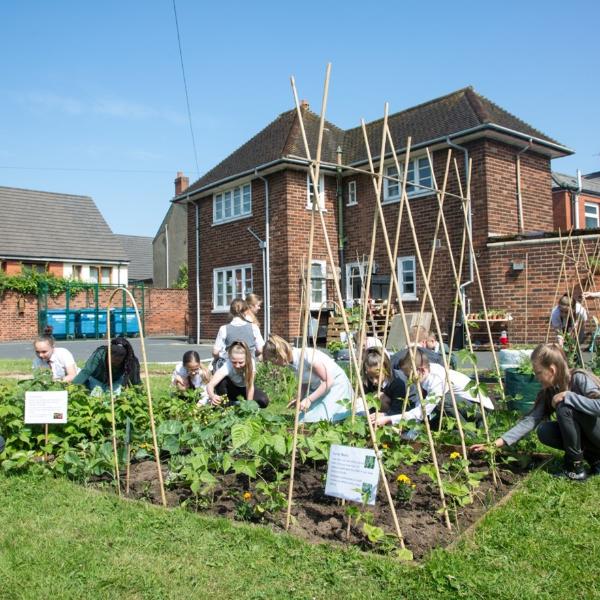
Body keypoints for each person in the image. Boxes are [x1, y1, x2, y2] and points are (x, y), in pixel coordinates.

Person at [472, 343, 600, 480]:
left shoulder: (579, 378)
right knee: (544, 431)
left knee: (564, 407)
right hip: (592, 437)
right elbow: (530, 421)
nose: (537, 378)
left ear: (552, 370)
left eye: (538, 372)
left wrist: (569, 396)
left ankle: (575, 469)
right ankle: (595, 459)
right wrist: (493, 445)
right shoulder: (550, 391)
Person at [378, 347, 494, 426]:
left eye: (409, 375)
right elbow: (420, 406)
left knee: (441, 402)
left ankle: (467, 435)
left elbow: (422, 412)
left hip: (480, 410)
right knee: (434, 414)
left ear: (421, 370)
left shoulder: (436, 379)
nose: (408, 380)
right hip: (463, 406)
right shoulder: (425, 376)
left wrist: (389, 419)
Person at [263, 334, 356, 423]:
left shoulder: (307, 356)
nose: (273, 364)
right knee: (302, 420)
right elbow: (305, 382)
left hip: (336, 386)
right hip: (321, 389)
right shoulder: (291, 363)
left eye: (272, 360)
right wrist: (300, 398)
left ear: (280, 355)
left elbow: (328, 381)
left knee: (319, 420)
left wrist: (309, 399)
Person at [207, 341, 269, 408]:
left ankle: (237, 404)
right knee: (221, 381)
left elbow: (250, 387)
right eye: (234, 362)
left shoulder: (251, 363)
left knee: (263, 401)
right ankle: (226, 404)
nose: (237, 365)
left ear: (247, 359)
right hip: (232, 390)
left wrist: (248, 406)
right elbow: (210, 385)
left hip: (245, 389)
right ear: (230, 358)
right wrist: (212, 396)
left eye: (241, 362)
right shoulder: (227, 365)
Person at [72, 337, 141, 395]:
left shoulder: (130, 360)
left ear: (123, 358)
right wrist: (72, 388)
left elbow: (135, 381)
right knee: (96, 398)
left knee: (115, 399)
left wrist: (140, 395)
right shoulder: (99, 354)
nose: (114, 362)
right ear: (108, 353)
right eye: (111, 358)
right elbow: (86, 372)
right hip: (97, 379)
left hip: (115, 381)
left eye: (118, 361)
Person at [213, 298, 264, 370]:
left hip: (231, 367)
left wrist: (223, 356)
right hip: (249, 367)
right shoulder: (254, 327)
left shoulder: (223, 329)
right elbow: (260, 349)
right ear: (246, 311)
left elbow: (215, 352)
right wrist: (251, 355)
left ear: (231, 312)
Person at [362, 348, 411, 420]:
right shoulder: (367, 383)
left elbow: (398, 410)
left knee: (378, 397)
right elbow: (370, 407)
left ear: (386, 369)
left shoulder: (397, 383)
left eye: (377, 376)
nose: (374, 381)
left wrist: (384, 415)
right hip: (387, 411)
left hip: (403, 412)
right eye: (370, 377)